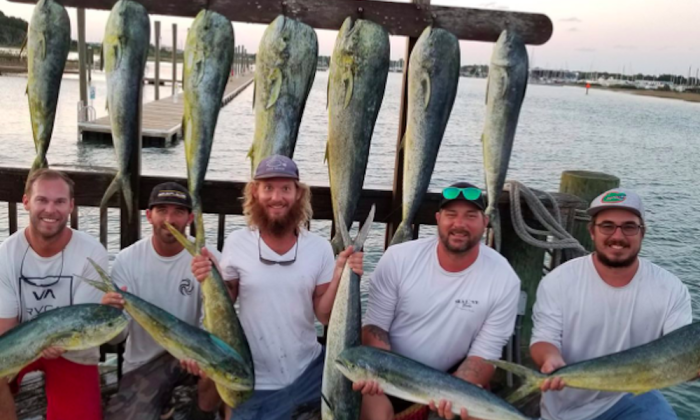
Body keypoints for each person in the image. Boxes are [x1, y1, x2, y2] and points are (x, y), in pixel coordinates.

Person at [189, 154, 364, 419]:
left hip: (309, 372)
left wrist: (340, 273)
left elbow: (324, 315)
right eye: (268, 188)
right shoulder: (238, 242)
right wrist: (209, 277)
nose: (276, 197)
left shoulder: (318, 248)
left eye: (285, 188)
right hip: (253, 379)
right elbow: (228, 298)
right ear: (255, 192)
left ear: (298, 194)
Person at [355, 182, 521, 420]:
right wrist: (379, 375)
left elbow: (484, 356)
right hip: (390, 372)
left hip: (454, 377)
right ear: (438, 219)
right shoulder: (398, 258)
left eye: (471, 216)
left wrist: (450, 393)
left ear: (485, 222)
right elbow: (374, 327)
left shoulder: (504, 279)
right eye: (451, 215)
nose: (459, 224)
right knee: (375, 412)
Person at [530, 188, 692, 420]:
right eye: (607, 226)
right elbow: (543, 338)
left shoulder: (671, 288)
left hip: (632, 397)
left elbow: (680, 355)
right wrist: (550, 360)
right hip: (566, 405)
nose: (618, 236)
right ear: (592, 232)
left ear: (642, 232)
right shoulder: (559, 280)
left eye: (629, 227)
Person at [101, 182, 222, 420]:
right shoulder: (127, 260)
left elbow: (214, 325)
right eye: (162, 211)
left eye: (178, 212)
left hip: (193, 353)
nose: (170, 219)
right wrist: (108, 316)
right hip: (144, 364)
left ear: (189, 218)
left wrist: (197, 353)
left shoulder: (206, 258)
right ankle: (164, 402)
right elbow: (118, 337)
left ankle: (201, 415)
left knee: (223, 372)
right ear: (149, 215)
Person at [0, 169, 108, 420]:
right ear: (26, 202)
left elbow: (83, 327)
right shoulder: (5, 254)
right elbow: (6, 329)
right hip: (22, 343)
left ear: (71, 205)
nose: (51, 209)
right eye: (42, 200)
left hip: (73, 351)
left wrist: (53, 342)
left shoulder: (92, 252)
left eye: (60, 201)